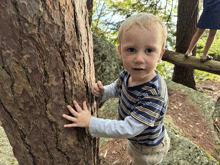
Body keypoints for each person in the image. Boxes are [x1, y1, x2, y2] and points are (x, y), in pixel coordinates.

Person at [62, 13, 170, 165]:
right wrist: (103, 92)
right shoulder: (128, 73)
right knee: (133, 154)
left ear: (160, 54)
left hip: (149, 148)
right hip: (137, 140)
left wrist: (91, 122)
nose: (139, 59)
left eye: (149, 51)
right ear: (120, 52)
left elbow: (129, 128)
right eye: (131, 50)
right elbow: (117, 88)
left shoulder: (154, 94)